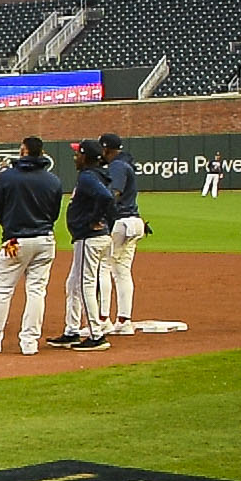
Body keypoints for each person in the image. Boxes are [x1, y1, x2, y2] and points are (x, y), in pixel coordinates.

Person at [0, 137, 62, 356]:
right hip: (45, 238)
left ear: (23, 151)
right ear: (41, 152)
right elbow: (54, 212)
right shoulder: (53, 180)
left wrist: (9, 226)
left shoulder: (7, 177)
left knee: (3, 291)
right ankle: (29, 342)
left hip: (15, 240)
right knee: (37, 291)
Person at [51, 142, 115, 351]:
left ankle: (96, 335)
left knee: (84, 284)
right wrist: (106, 224)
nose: (75, 157)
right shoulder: (95, 175)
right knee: (73, 284)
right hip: (93, 237)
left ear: (86, 157)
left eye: (78, 153)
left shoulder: (88, 176)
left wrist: (95, 220)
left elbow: (106, 198)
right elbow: (110, 202)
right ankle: (72, 331)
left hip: (89, 237)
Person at [97, 133, 145, 334]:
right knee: (122, 271)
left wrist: (97, 214)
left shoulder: (116, 166)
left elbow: (113, 194)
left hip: (120, 221)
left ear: (106, 149)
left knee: (104, 267)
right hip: (134, 221)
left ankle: (102, 320)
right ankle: (124, 321)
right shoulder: (125, 164)